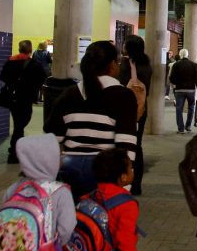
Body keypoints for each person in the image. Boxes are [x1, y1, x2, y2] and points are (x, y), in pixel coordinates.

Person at [44, 40, 137, 201]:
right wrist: (125, 185)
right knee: (101, 222)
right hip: (105, 171)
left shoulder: (69, 94)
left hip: (69, 169)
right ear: (112, 64)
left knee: (72, 220)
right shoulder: (123, 96)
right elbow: (126, 143)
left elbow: (53, 137)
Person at [0, 40, 47, 164]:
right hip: (26, 98)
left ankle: (16, 150)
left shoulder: (11, 62)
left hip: (13, 98)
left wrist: (13, 83)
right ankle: (14, 153)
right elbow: (42, 78)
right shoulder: (34, 64)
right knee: (21, 124)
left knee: (18, 123)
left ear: (19, 48)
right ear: (30, 50)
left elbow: (3, 76)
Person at [116, 35, 152, 196]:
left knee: (124, 144)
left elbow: (121, 85)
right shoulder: (147, 65)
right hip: (141, 109)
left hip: (125, 109)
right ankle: (137, 184)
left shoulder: (125, 64)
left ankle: (124, 180)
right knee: (137, 145)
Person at [169, 48, 197, 133]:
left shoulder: (176, 65)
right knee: (191, 108)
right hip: (191, 90)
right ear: (187, 55)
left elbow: (171, 78)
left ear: (180, 55)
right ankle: (188, 126)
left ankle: (181, 128)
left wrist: (176, 83)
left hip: (179, 90)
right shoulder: (193, 65)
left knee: (179, 109)